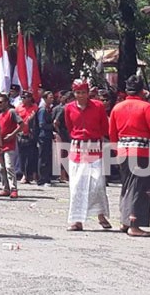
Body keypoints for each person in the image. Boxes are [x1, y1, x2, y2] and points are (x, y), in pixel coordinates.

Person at [109, 75, 150, 236]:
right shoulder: (146, 107)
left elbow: (112, 133)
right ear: (142, 91)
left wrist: (116, 150)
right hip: (141, 152)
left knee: (127, 186)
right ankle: (134, 223)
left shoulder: (117, 108)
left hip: (122, 150)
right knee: (138, 187)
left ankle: (124, 220)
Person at [64, 79, 112, 231]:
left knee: (97, 183)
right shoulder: (68, 108)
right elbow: (69, 126)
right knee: (77, 185)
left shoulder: (98, 107)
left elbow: (104, 126)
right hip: (77, 149)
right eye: (78, 92)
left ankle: (100, 215)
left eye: (83, 92)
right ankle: (77, 220)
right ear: (74, 93)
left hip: (94, 148)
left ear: (88, 93)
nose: (81, 95)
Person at [0, 92, 22, 198]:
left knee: (9, 166)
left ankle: (13, 188)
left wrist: (12, 135)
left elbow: (22, 125)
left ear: (6, 102)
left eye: (1, 102)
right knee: (1, 168)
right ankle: (5, 188)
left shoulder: (12, 112)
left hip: (9, 144)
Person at [16, 90, 39, 184]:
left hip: (31, 134)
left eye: (25, 97)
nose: (23, 99)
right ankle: (24, 174)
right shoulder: (18, 108)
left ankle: (29, 174)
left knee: (31, 156)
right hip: (21, 134)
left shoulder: (35, 107)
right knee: (22, 156)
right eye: (22, 97)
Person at [37, 91, 56, 186]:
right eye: (50, 97)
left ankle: (47, 177)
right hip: (43, 136)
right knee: (43, 157)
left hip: (48, 136)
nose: (52, 99)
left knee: (48, 157)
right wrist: (52, 125)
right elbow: (42, 124)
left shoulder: (49, 109)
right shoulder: (42, 110)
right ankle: (42, 178)